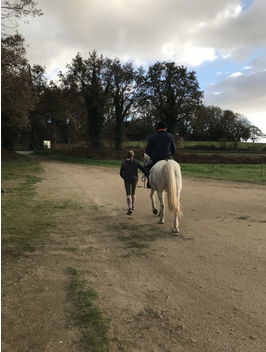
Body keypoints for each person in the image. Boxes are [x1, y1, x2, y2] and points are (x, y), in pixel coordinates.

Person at [145, 121, 176, 188]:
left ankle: (149, 182)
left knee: (146, 166)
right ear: (165, 128)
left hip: (156, 158)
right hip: (169, 157)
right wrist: (170, 156)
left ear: (157, 128)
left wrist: (151, 156)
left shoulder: (152, 137)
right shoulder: (170, 136)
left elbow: (148, 151)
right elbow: (174, 149)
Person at [120, 150, 146, 215]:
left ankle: (130, 208)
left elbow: (121, 173)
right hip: (135, 180)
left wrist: (124, 178)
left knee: (128, 194)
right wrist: (146, 173)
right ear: (133, 155)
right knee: (133, 193)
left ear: (126, 155)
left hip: (127, 180)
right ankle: (133, 206)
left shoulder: (124, 163)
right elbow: (142, 169)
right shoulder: (136, 162)